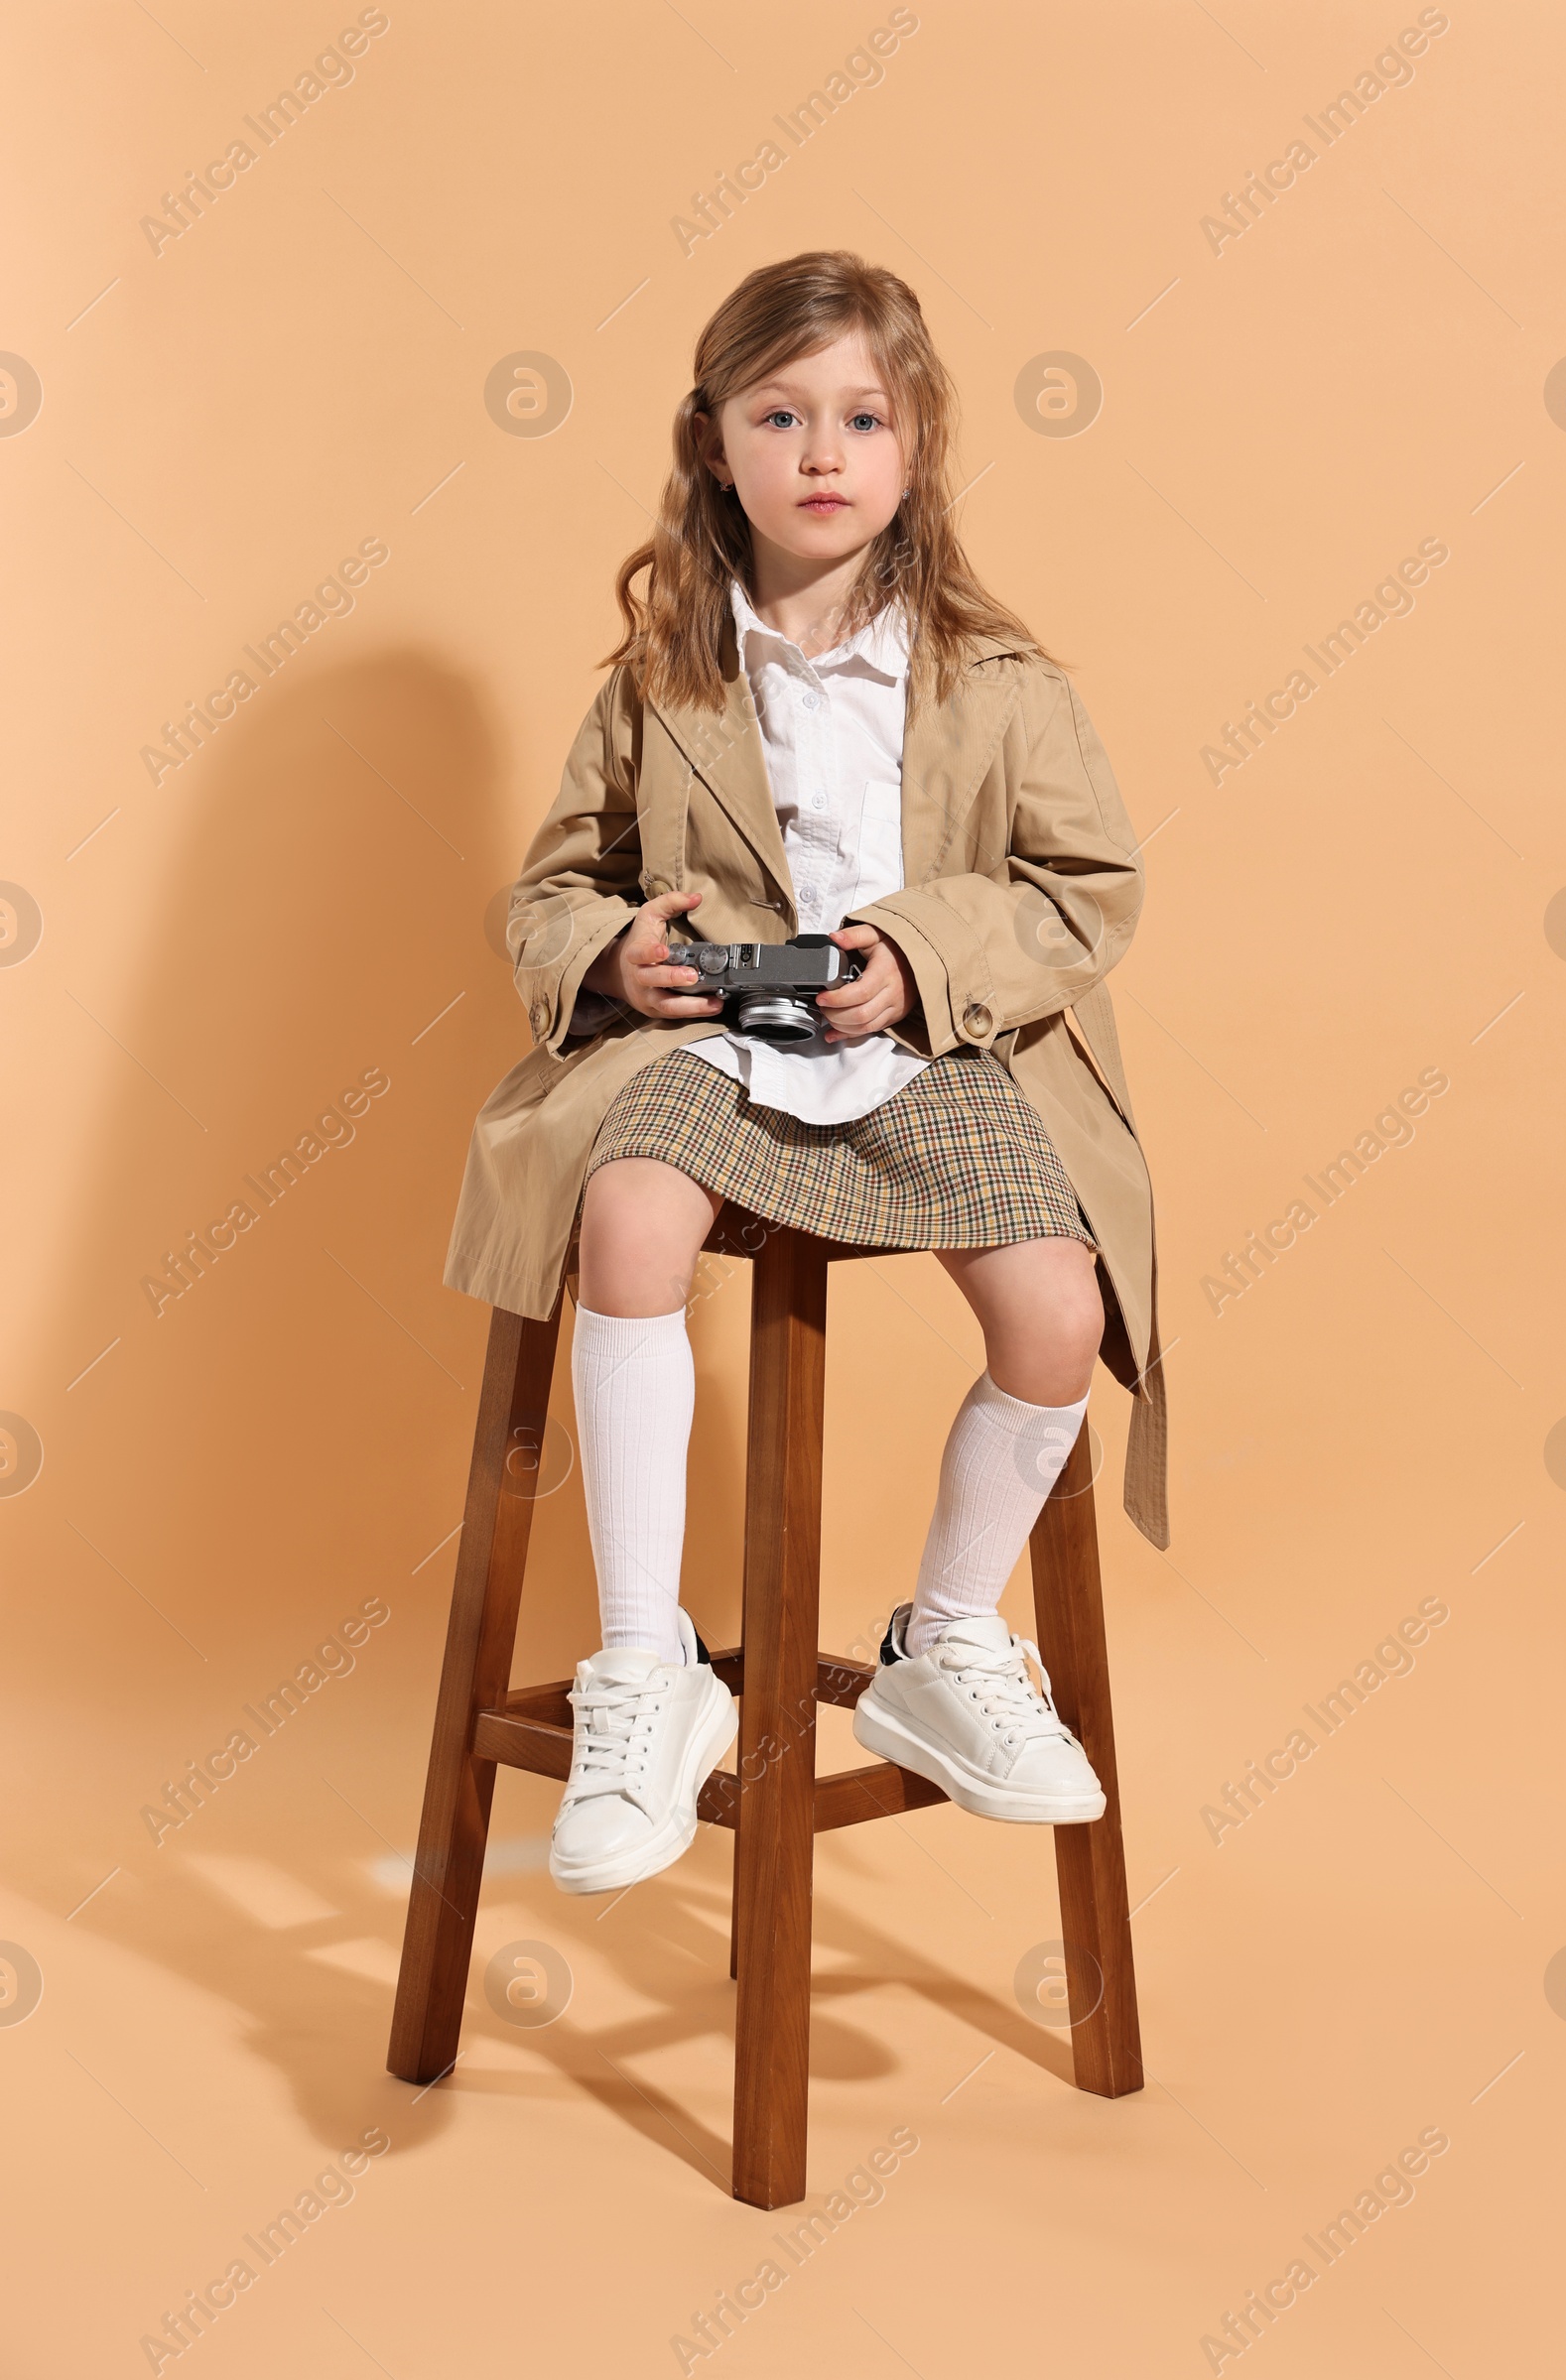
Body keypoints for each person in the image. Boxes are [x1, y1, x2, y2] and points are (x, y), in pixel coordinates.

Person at [441, 249, 1169, 1897]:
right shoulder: (663, 676)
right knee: (626, 1211)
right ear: (713, 442)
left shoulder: (1002, 680)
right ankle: (647, 1663)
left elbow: (1086, 892)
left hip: (929, 1051)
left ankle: (947, 1637)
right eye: (781, 416)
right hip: (717, 1044)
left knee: (1059, 1306)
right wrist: (616, 952)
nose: (823, 454)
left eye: (861, 418)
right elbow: (554, 884)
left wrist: (919, 959)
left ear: (916, 451)